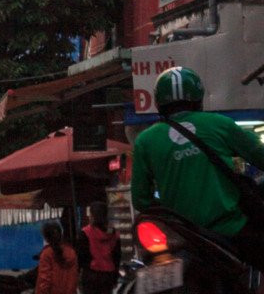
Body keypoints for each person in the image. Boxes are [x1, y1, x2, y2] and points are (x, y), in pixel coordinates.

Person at [131, 65, 264, 271]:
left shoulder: (145, 141)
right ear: (198, 97)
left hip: (181, 236)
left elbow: (140, 199)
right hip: (230, 230)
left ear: (159, 102)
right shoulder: (220, 124)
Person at [76, 203, 120, 294]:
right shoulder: (113, 233)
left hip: (91, 276)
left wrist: (77, 275)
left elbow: (81, 257)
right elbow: (117, 257)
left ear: (92, 215)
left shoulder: (85, 233)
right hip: (108, 276)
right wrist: (115, 277)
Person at [34, 222, 78, 294]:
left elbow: (44, 281)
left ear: (46, 238)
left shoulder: (47, 254)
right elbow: (74, 277)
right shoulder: (71, 252)